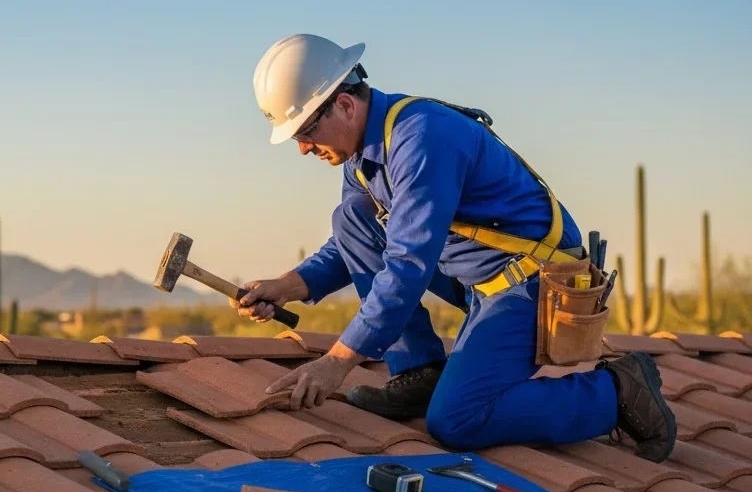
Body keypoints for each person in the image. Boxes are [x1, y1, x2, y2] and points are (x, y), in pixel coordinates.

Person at [234, 33, 676, 461]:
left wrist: (338, 360)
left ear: (345, 105)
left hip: (534, 282)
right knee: (350, 218)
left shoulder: (421, 138)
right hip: (477, 279)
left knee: (458, 420)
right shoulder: (363, 159)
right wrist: (287, 286)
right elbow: (352, 242)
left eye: (304, 134)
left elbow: (407, 266)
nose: (304, 149)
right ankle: (420, 371)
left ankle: (615, 391)